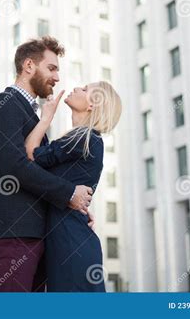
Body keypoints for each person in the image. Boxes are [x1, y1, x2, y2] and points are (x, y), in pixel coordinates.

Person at [0, 36, 94, 292]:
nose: (57, 77)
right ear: (29, 66)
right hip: (12, 234)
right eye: (52, 68)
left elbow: (40, 171)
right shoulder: (3, 104)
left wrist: (76, 207)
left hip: (35, 234)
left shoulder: (32, 115)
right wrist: (68, 194)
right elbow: (15, 166)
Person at [25, 81, 122, 291]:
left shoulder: (83, 139)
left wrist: (46, 118)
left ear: (92, 105)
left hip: (70, 244)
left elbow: (31, 154)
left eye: (85, 90)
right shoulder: (83, 140)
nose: (78, 88)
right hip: (69, 240)